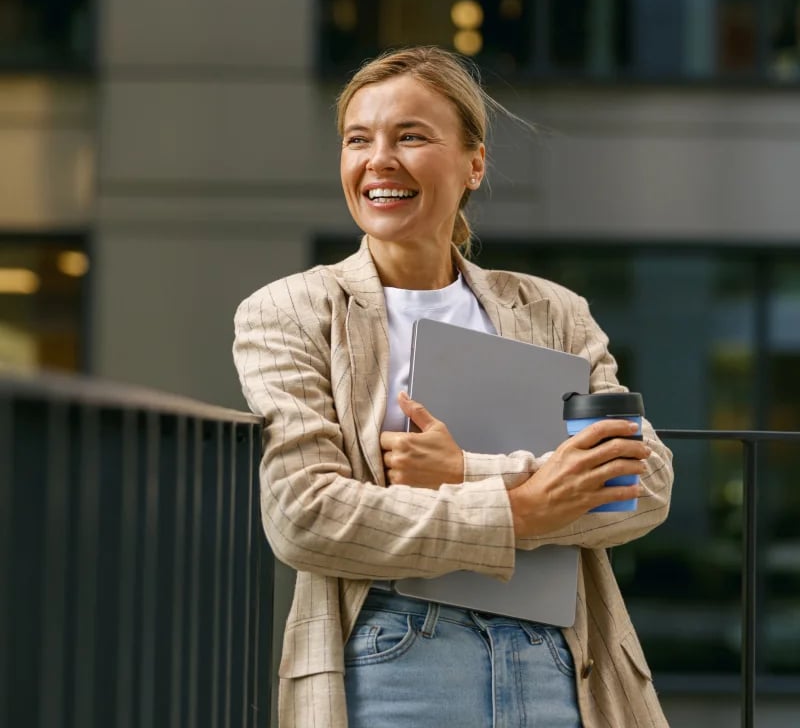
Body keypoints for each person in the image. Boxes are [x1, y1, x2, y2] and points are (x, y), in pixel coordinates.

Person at [233, 45, 673, 727]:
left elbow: (640, 489)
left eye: (410, 136)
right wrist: (523, 510)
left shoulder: (552, 312)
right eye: (358, 139)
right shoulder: (292, 311)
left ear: (474, 163)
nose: (379, 159)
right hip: (394, 652)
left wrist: (466, 470)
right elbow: (305, 517)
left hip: (554, 655)